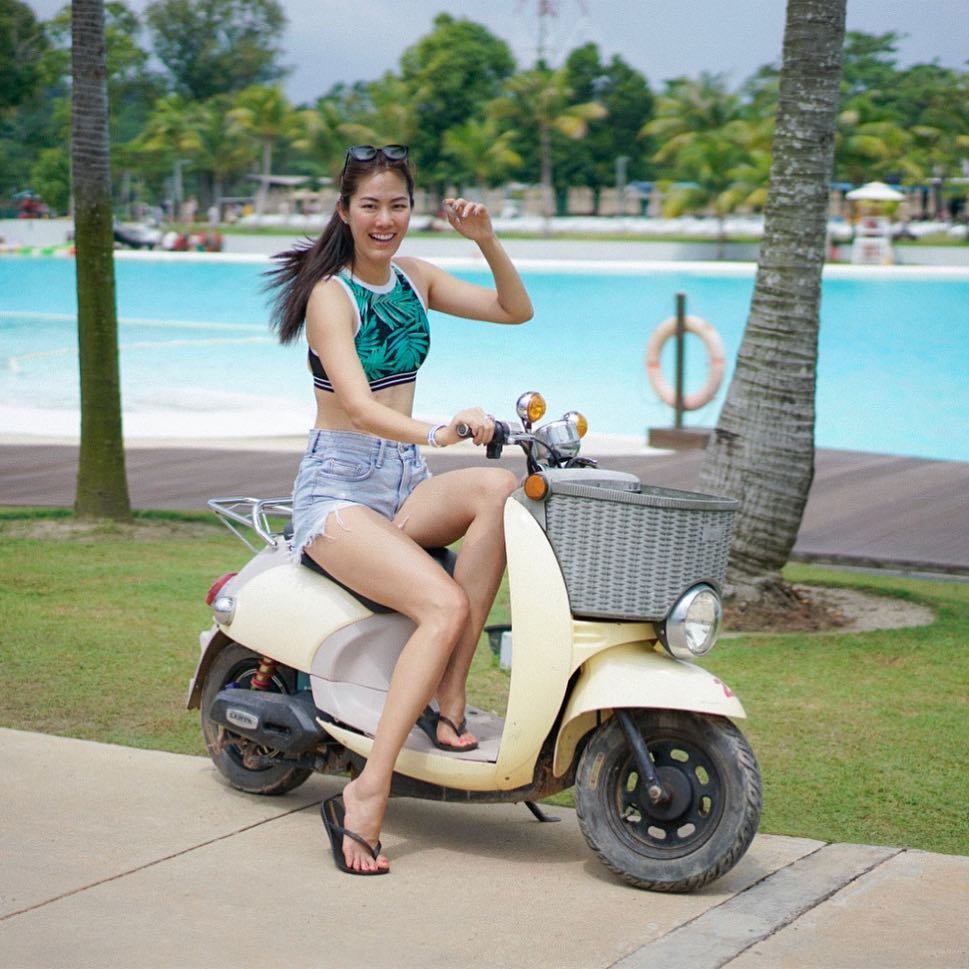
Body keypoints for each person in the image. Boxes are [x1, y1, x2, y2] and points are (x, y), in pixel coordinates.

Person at [265, 144, 533, 875]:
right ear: (345, 211)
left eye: (398, 205)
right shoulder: (331, 296)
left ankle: (450, 694)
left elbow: (515, 310)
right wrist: (438, 430)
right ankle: (367, 791)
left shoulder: (415, 278)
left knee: (499, 490)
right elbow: (356, 405)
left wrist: (486, 241)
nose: (385, 219)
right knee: (441, 605)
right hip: (340, 489)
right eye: (370, 206)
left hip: (404, 479)